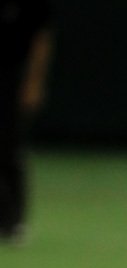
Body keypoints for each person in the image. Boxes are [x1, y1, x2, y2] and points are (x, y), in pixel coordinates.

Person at [0, 0, 53, 245]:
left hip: (13, 73)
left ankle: (15, 221)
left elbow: (42, 37)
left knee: (10, 146)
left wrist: (34, 82)